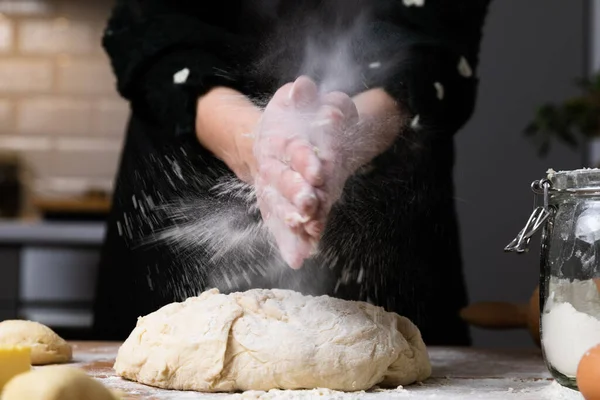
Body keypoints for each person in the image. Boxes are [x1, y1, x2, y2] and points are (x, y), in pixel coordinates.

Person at [92, 0, 491, 345]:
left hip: (392, 221)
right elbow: (150, 26)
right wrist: (253, 140)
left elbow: (436, 43)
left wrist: (340, 140)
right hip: (182, 176)